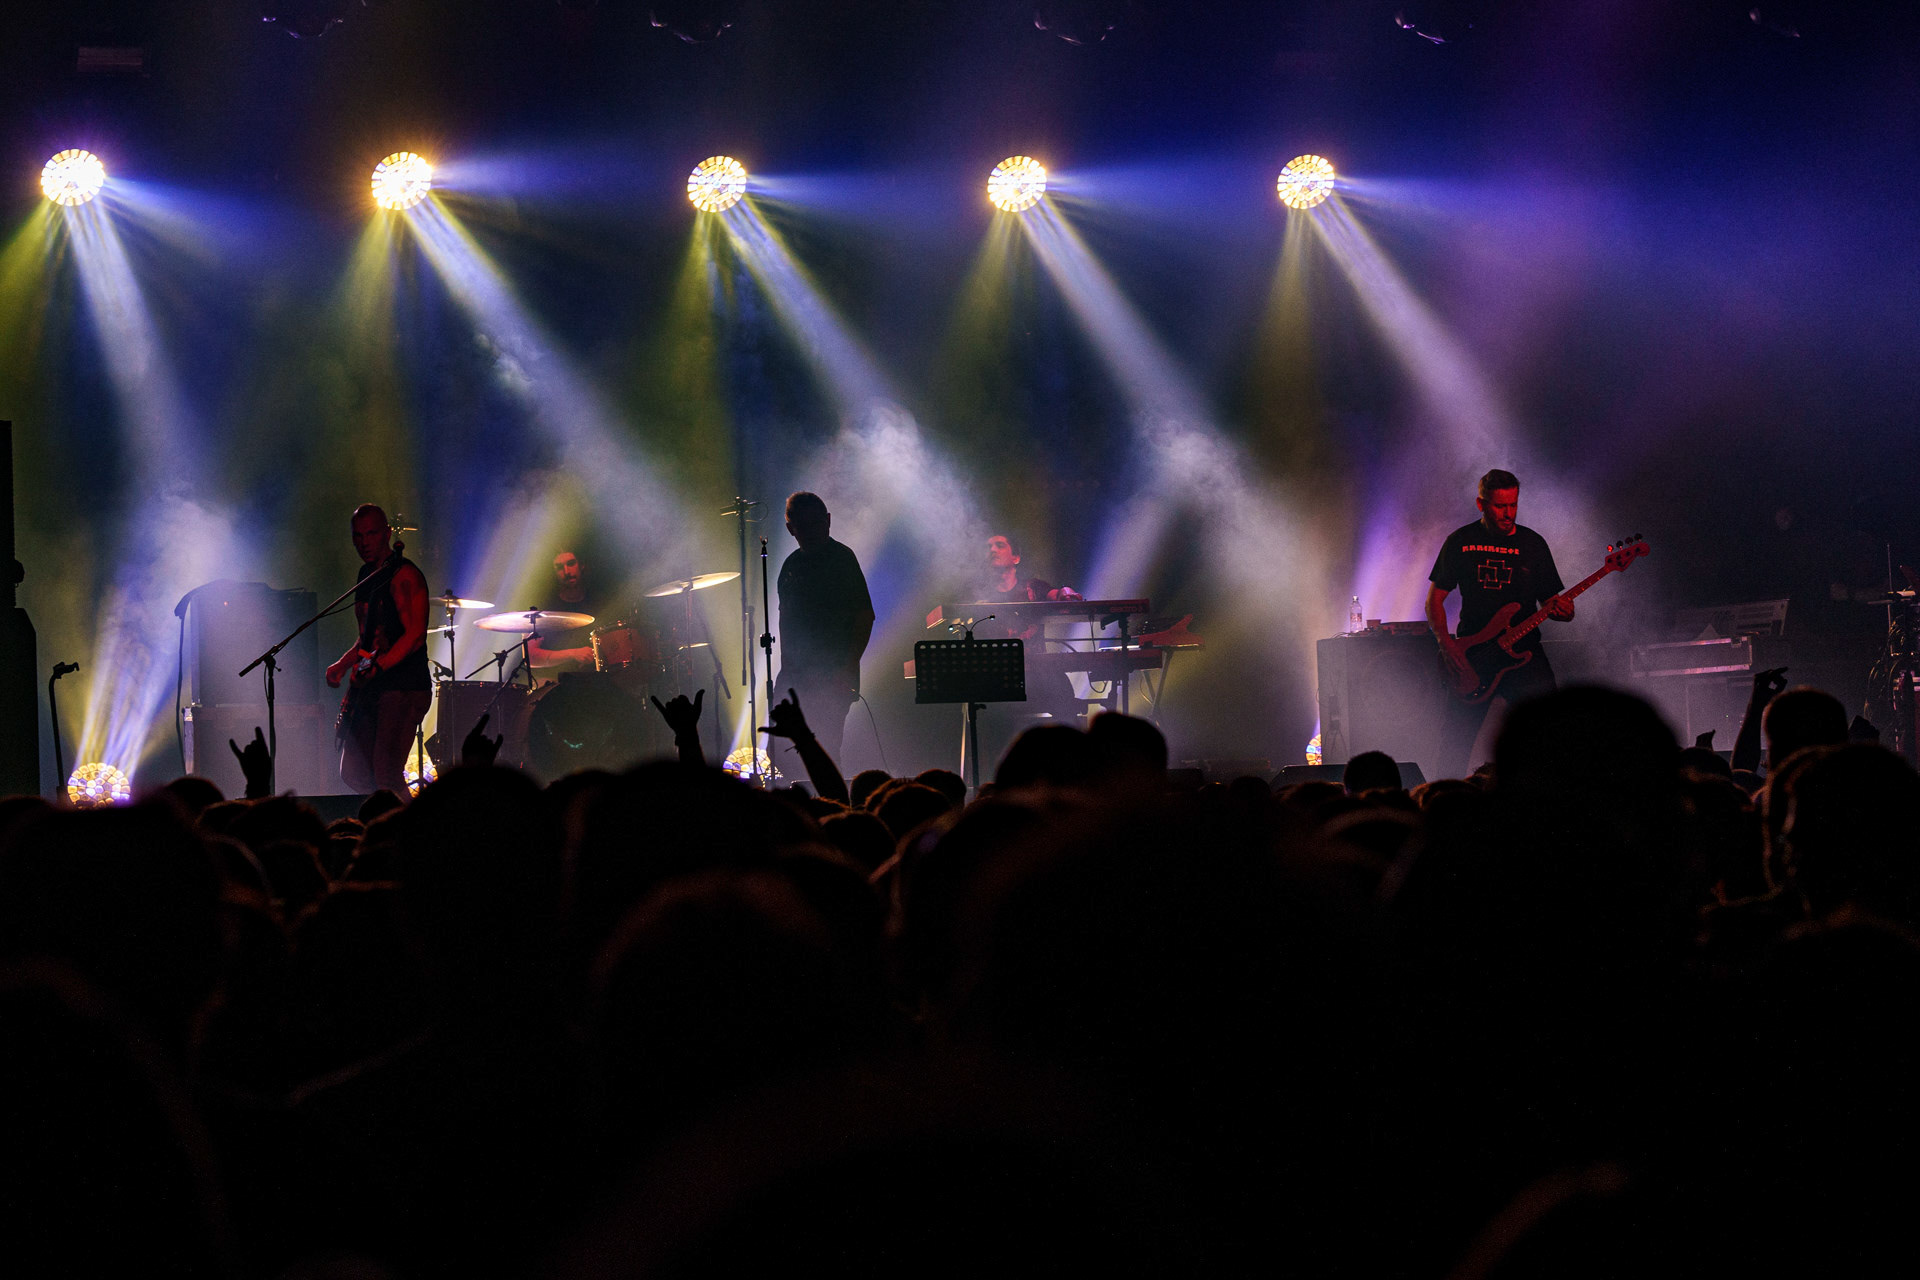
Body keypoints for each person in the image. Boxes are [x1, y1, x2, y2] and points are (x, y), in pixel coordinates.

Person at [1426, 469, 1573, 769]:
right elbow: (1434, 600)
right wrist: (1447, 645)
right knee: (1455, 744)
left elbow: (1550, 601)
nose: (1508, 513)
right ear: (1481, 504)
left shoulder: (1533, 544)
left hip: (1525, 653)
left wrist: (1564, 611)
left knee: (1550, 733)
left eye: (1513, 505)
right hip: (1474, 655)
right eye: (1500, 506)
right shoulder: (1461, 541)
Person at [327, 504, 432, 794]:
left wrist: (379, 667)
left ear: (386, 534)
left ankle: (405, 822)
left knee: (386, 775)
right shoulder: (366, 574)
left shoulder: (405, 574)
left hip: (404, 686)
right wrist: (343, 664)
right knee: (354, 772)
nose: (364, 542)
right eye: (358, 536)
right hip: (373, 687)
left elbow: (415, 636)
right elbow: (368, 637)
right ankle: (379, 818)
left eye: (371, 534)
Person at [775, 492, 874, 762]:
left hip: (832, 677)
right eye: (804, 527)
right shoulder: (791, 566)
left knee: (825, 750)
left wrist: (847, 667)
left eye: (816, 524)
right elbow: (786, 622)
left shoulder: (842, 559)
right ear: (791, 529)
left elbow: (865, 616)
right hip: (797, 678)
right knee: (786, 755)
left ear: (828, 520)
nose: (811, 532)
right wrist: (785, 674)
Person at [529, 549, 603, 672]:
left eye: (571, 564)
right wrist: (573, 653)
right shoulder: (545, 607)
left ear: (581, 565)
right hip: (554, 677)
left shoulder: (599, 602)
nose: (567, 572)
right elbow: (531, 657)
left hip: (594, 676)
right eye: (559, 567)